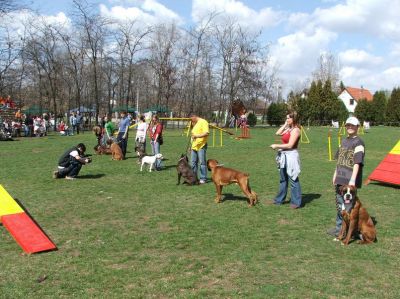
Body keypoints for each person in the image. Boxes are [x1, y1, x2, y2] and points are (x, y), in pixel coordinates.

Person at [327, 116, 365, 238]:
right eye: (348, 125)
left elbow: (357, 163)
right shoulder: (343, 141)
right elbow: (339, 161)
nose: (349, 127)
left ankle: (347, 231)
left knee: (349, 206)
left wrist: (353, 180)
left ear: (357, 127)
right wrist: (335, 174)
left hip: (349, 181)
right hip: (340, 178)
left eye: (352, 125)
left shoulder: (359, 143)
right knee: (340, 205)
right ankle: (340, 229)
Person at [270, 111, 302, 209]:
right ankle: (279, 199)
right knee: (283, 179)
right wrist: (285, 125)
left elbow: (290, 145)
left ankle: (296, 202)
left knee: (293, 178)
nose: (287, 119)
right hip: (283, 156)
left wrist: (276, 145)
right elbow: (278, 133)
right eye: (286, 118)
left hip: (291, 156)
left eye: (289, 118)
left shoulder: (296, 130)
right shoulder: (289, 128)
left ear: (294, 119)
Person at [190, 113, 209, 184]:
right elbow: (192, 136)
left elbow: (206, 133)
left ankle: (203, 178)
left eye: (191, 119)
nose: (191, 121)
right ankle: (193, 177)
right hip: (194, 146)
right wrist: (190, 146)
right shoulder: (195, 124)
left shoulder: (203, 122)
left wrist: (197, 136)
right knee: (192, 163)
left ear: (194, 116)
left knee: (202, 162)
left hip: (201, 145)